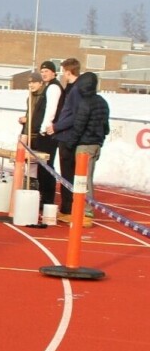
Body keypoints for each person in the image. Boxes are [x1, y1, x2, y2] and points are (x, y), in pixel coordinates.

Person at [65, 72, 109, 227]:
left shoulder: (85, 103)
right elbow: (106, 127)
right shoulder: (103, 102)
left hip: (85, 145)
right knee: (87, 177)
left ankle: (87, 209)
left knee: (84, 179)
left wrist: (70, 143)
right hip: (96, 144)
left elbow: (79, 126)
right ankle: (83, 208)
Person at [49, 57, 82, 222]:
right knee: (66, 174)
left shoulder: (76, 90)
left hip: (69, 137)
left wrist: (56, 127)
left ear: (69, 72)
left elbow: (72, 115)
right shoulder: (70, 88)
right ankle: (66, 207)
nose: (62, 75)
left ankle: (69, 209)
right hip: (65, 135)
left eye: (63, 72)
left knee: (69, 174)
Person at [34, 60, 63, 207]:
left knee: (46, 167)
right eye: (42, 71)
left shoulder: (53, 88)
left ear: (53, 72)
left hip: (48, 133)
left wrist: (44, 128)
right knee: (43, 167)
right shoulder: (49, 87)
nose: (44, 74)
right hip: (46, 131)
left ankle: (47, 199)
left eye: (46, 71)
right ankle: (44, 197)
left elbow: (51, 109)